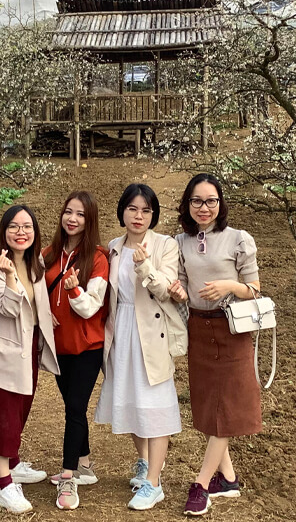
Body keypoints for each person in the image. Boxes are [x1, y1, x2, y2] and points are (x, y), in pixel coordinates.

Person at [168, 174, 264, 517]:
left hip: (231, 330)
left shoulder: (238, 239)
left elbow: (254, 289)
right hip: (198, 327)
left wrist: (229, 286)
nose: (204, 207)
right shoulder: (180, 242)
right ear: (187, 204)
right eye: (197, 201)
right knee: (210, 406)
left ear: (220, 204)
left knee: (227, 406)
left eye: (211, 201)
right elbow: (180, 286)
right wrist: (177, 291)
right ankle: (228, 480)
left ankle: (201, 484)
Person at [94, 183, 187, 511]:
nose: (138, 215)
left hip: (151, 334)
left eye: (146, 210)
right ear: (122, 212)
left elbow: (165, 290)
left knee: (156, 406)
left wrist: (145, 265)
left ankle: (154, 483)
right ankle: (146, 463)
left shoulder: (165, 245)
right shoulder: (113, 247)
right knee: (129, 400)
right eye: (132, 208)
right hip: (121, 331)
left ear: (153, 215)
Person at [0, 205, 61, 514]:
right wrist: (10, 276)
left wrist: (47, 317)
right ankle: (5, 486)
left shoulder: (35, 262)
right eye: (14, 226)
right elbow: (10, 309)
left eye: (27, 226)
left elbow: (37, 301)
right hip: (5, 356)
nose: (21, 232)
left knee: (20, 411)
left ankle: (13, 463)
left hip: (29, 350)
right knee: (4, 419)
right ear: (4, 232)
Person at [42, 191, 110, 510]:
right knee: (73, 406)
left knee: (74, 408)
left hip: (87, 346)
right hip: (59, 345)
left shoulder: (97, 258)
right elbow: (34, 292)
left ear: (89, 220)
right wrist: (44, 311)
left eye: (80, 214)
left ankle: (68, 477)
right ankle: (84, 465)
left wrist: (74, 291)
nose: (72, 219)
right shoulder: (48, 254)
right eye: (68, 212)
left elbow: (91, 307)